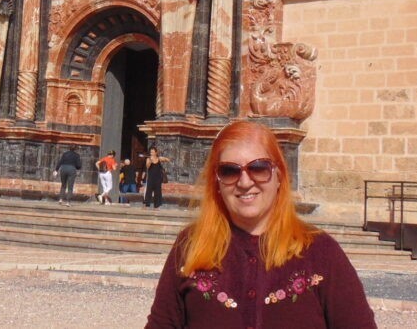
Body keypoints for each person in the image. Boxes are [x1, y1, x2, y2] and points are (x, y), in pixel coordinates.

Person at [145, 121, 377, 328]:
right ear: (217, 182)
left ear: (279, 176)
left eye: (258, 168)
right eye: (229, 171)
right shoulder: (191, 245)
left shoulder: (320, 252)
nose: (245, 182)